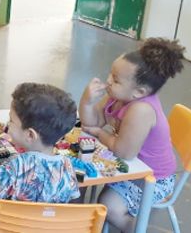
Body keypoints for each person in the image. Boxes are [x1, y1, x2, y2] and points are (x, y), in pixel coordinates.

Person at [79, 38, 184, 232]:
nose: (109, 81)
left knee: (109, 205)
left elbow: (124, 152)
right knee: (80, 177)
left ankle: (137, 228)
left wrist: (100, 133)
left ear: (139, 92)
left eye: (116, 79)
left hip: (152, 178)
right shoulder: (118, 95)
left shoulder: (141, 110)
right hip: (130, 167)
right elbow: (90, 122)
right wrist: (86, 102)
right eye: (111, 74)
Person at [0, 83, 80, 205]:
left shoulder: (14, 167)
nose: (7, 125)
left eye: (11, 121)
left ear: (30, 135)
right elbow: (73, 197)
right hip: (48, 223)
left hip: (9, 224)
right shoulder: (67, 165)